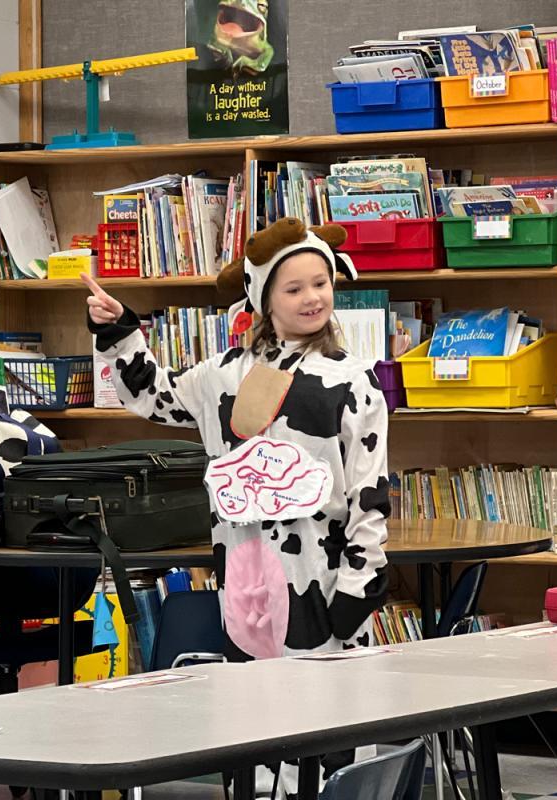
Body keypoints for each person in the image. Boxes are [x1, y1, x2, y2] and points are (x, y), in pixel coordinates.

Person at [84, 216, 390, 795]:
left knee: (328, 727)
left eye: (320, 283)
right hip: (246, 579)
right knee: (255, 725)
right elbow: (155, 397)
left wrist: (358, 586)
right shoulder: (223, 376)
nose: (312, 298)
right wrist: (122, 331)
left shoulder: (353, 379)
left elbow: (370, 494)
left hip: (325, 583)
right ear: (263, 299)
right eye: (294, 288)